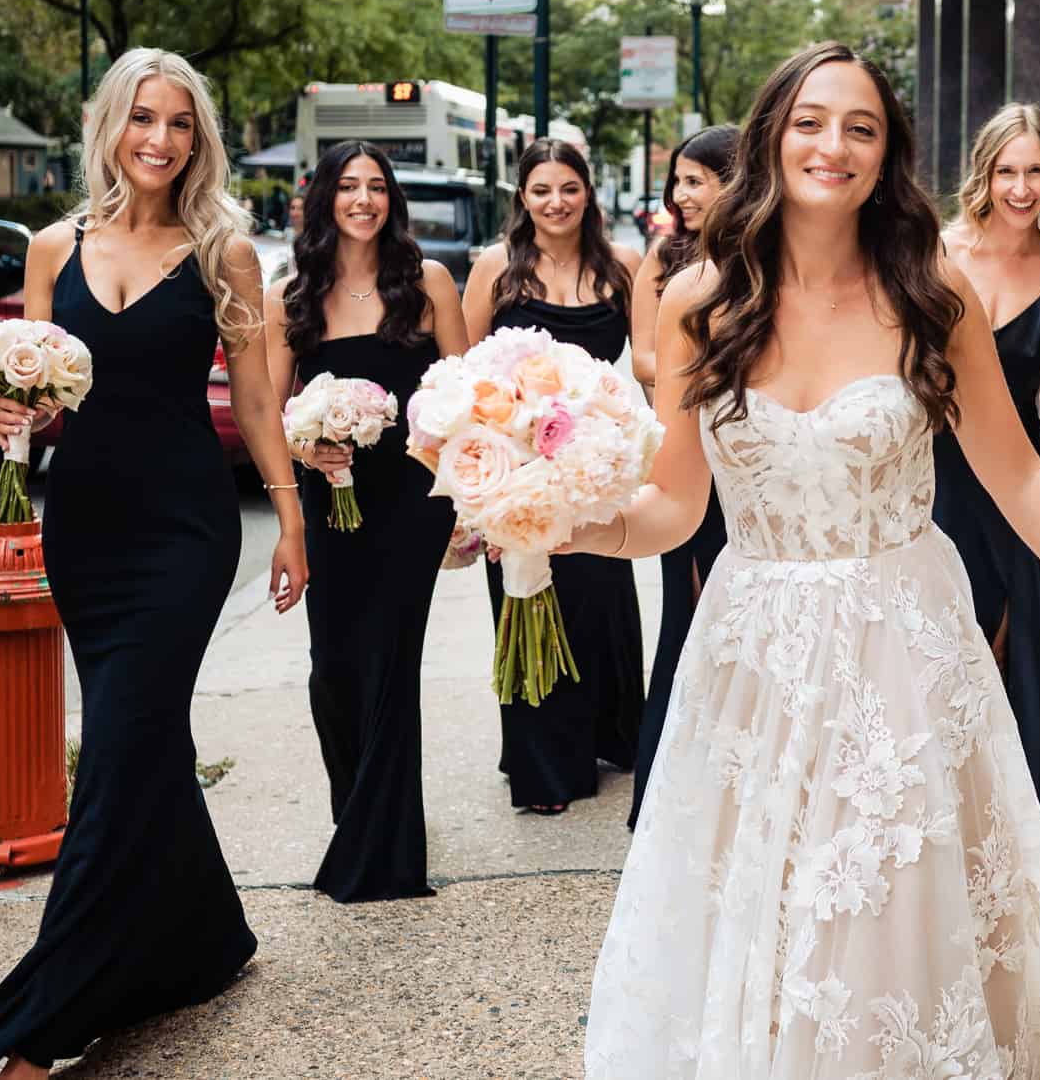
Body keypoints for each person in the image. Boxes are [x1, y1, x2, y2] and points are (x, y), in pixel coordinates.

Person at [565, 41, 1040, 1077]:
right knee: (767, 914)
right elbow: (671, 503)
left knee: (883, 917)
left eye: (860, 127)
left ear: (887, 156)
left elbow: (1019, 479)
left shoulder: (932, 291)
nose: (829, 144)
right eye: (808, 120)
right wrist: (578, 525)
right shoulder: (699, 298)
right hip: (753, 654)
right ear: (769, 135)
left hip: (901, 651)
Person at [0, 49, 307, 1078]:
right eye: (142, 118)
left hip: (188, 531)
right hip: (88, 526)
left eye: (181, 123)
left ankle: (47, 1017)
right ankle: (209, 938)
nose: (160, 139)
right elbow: (33, 395)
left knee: (118, 741)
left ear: (200, 138)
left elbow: (252, 402)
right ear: (110, 125)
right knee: (141, 736)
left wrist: (290, 519)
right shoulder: (49, 246)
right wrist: (15, 417)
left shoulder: (224, 252)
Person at [263, 141, 468, 902]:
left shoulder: (430, 284)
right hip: (330, 505)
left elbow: (464, 399)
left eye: (376, 186)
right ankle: (356, 815)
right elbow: (270, 414)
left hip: (409, 507)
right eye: (348, 186)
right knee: (334, 671)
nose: (363, 199)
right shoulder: (293, 297)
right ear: (324, 199)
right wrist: (305, 444)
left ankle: (385, 851)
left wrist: (467, 496)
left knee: (390, 665)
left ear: (393, 200)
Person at [461, 138, 644, 815]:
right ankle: (543, 763)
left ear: (588, 192)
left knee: (598, 603)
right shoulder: (495, 269)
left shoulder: (623, 266)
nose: (556, 202)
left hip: (591, 466)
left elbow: (650, 364)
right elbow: (462, 373)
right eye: (541, 190)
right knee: (530, 603)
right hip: (516, 467)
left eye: (568, 187)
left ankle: (608, 731)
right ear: (522, 197)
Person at [929, 102, 1040, 816]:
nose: (1021, 188)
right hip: (933, 476)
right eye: (1007, 171)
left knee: (1011, 643)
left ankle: (1016, 822)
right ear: (984, 175)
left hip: (1018, 478)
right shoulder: (937, 251)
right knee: (937, 645)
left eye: (1035, 171)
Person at [625, 124, 737, 829]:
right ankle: (662, 793)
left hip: (747, 464)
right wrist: (693, 363)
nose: (683, 194)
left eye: (698, 179)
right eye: (680, 180)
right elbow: (642, 356)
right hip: (685, 449)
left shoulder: (761, 260)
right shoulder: (663, 263)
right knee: (686, 620)